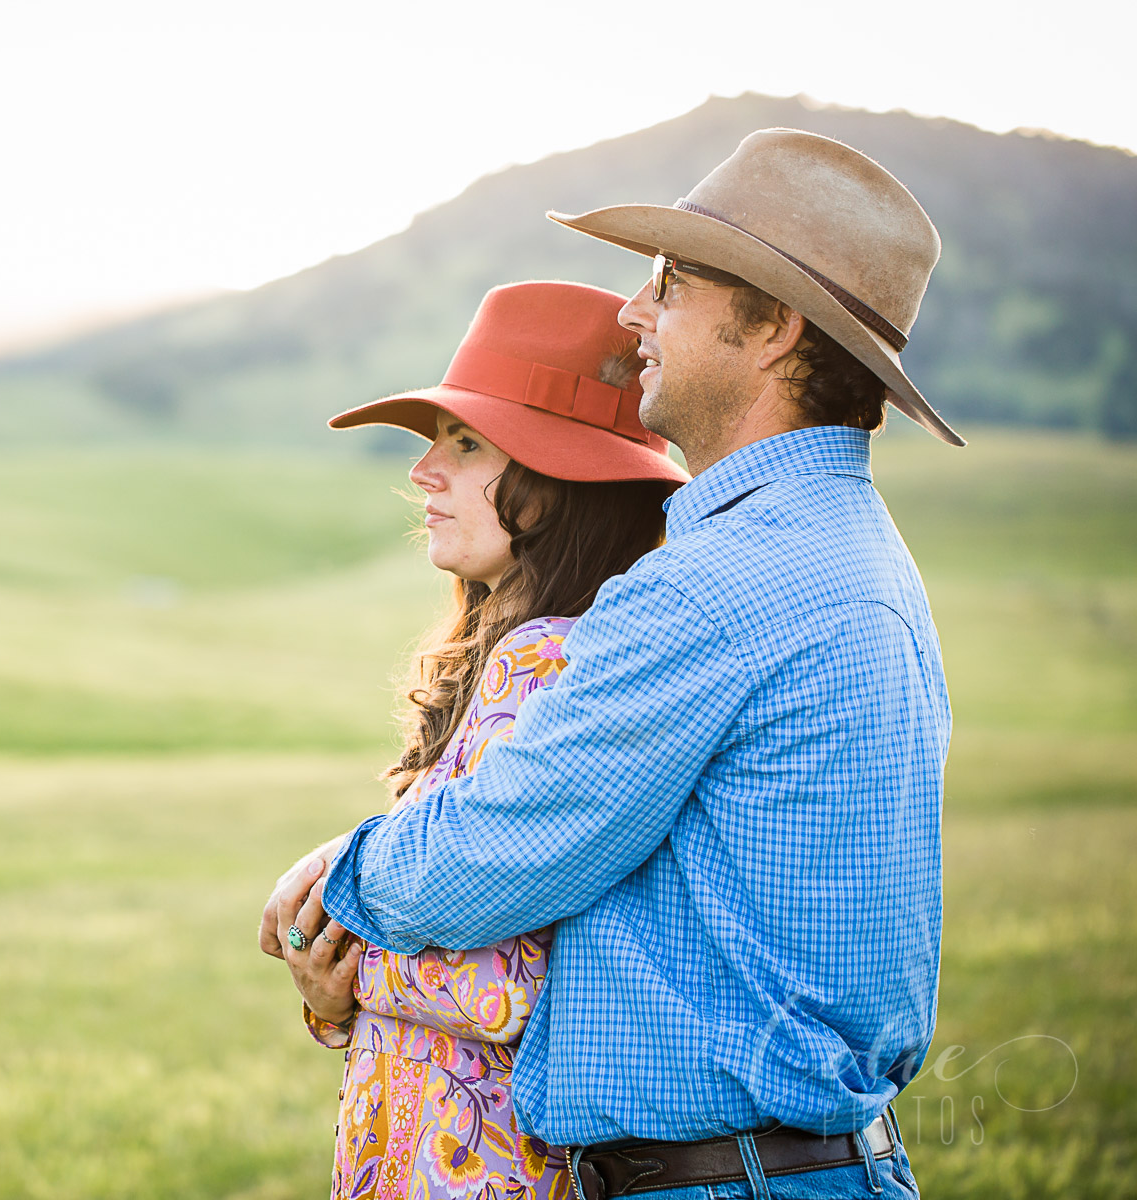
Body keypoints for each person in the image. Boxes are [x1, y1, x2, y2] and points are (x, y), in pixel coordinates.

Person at [262, 128, 961, 1200]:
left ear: (775, 328)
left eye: (670, 283)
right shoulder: (848, 547)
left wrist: (334, 883)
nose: (634, 312)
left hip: (730, 1180)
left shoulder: (724, 584)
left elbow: (498, 852)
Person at [276, 279, 689, 1199]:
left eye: (465, 443)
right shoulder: (508, 657)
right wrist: (330, 995)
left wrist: (332, 935)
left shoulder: (554, 661)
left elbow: (505, 983)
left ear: (558, 478)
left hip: (486, 1171)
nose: (424, 471)